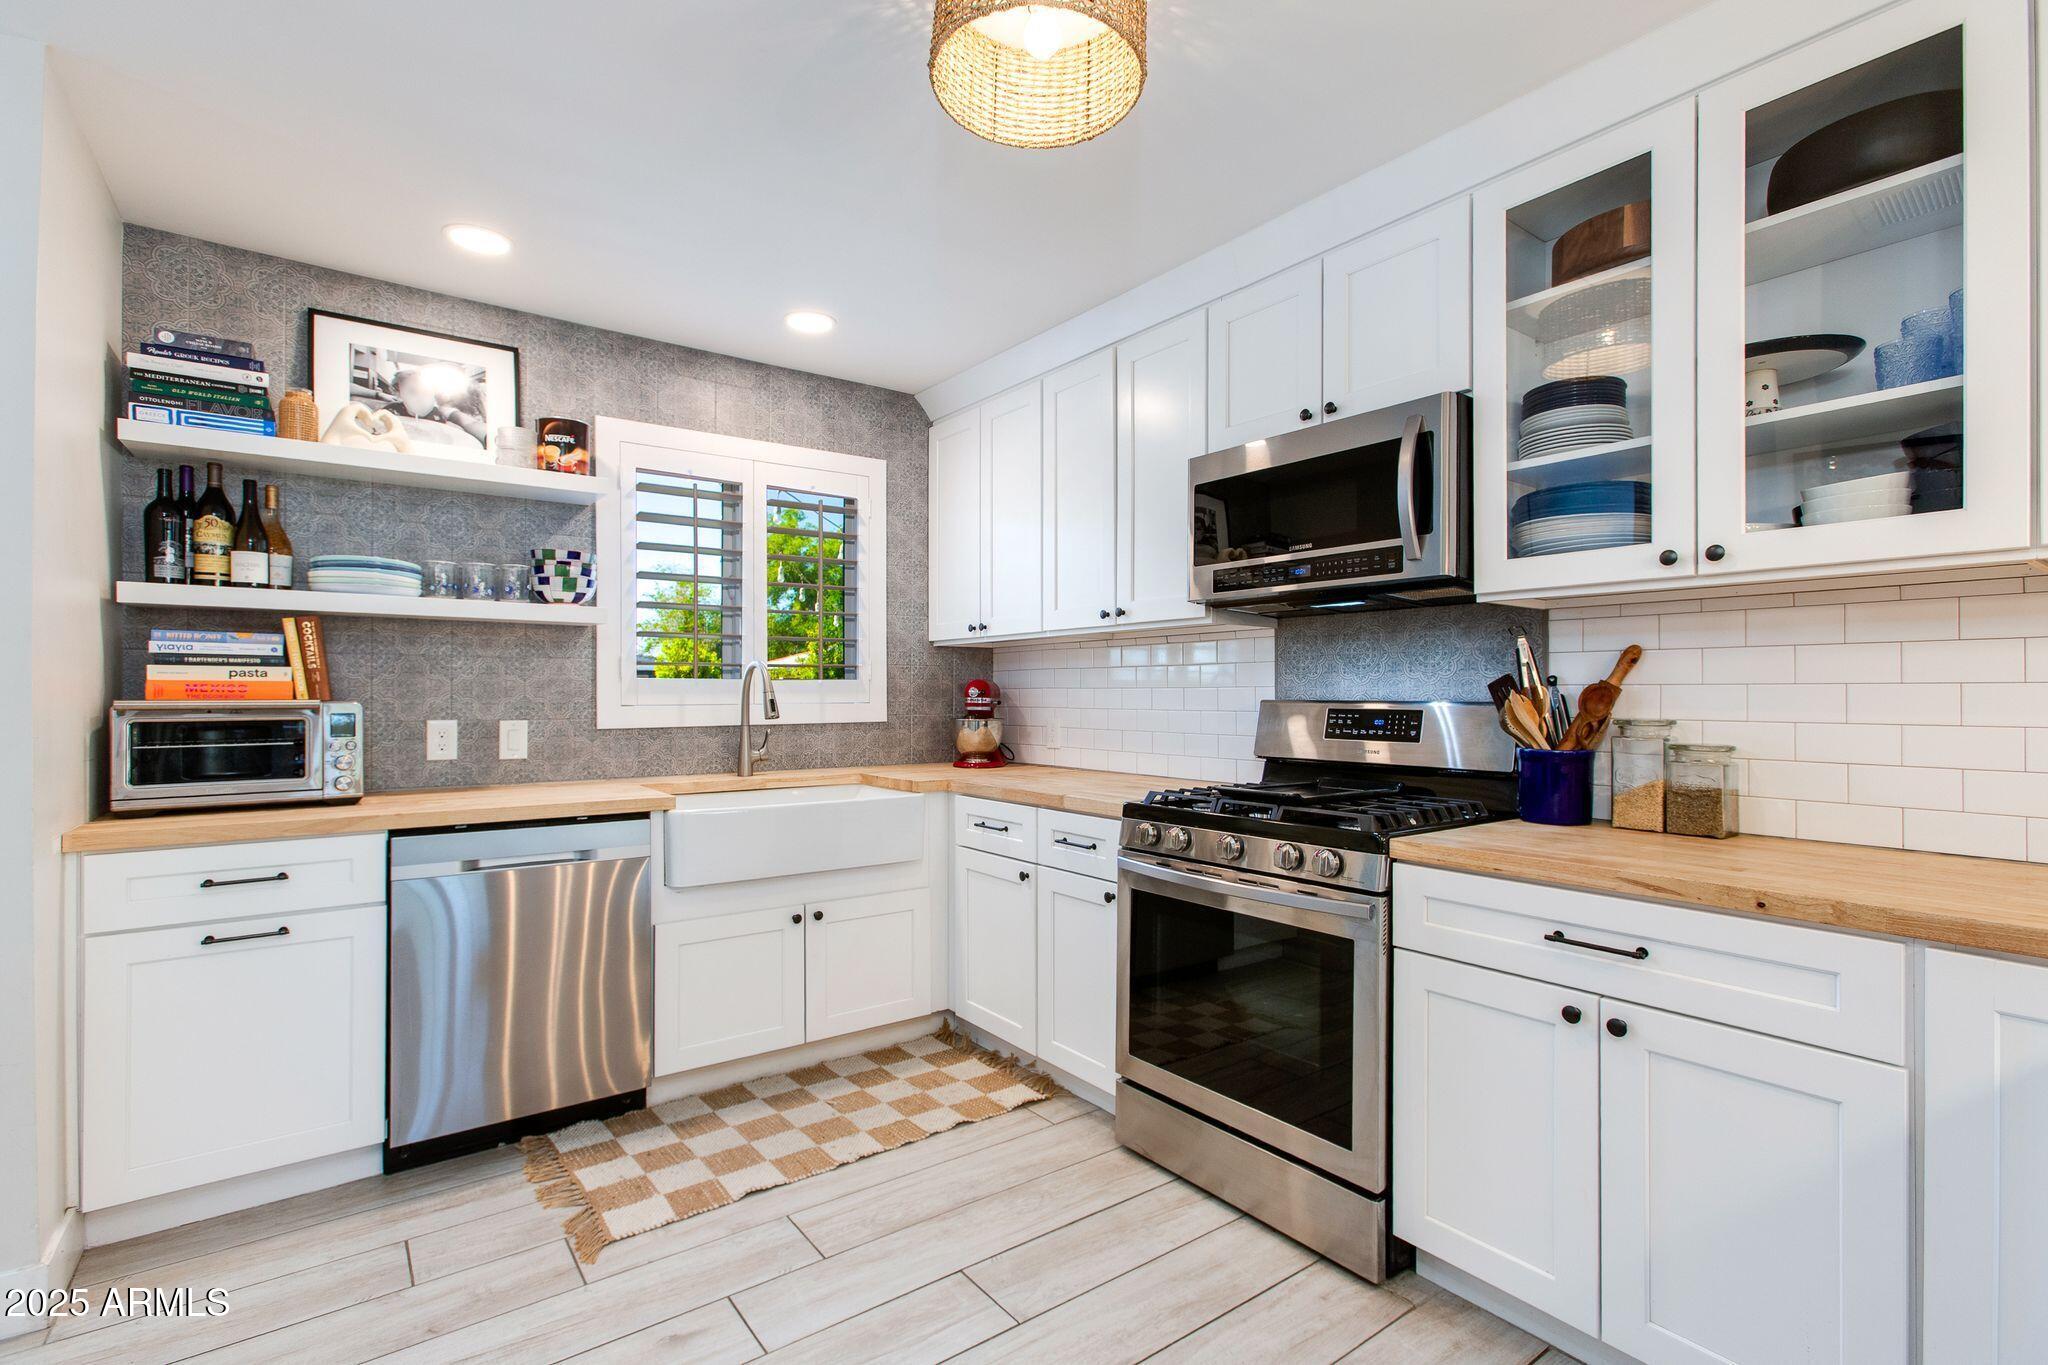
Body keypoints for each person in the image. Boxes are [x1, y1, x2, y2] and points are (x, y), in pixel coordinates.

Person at [379, 365, 487, 448]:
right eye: (412, 392)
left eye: (426, 392)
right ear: (398, 393)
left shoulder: (437, 416)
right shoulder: (389, 411)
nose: (421, 398)